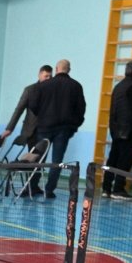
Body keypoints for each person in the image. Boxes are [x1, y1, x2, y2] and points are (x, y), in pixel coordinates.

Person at [28, 59, 86, 200]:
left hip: (44, 127)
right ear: (69, 70)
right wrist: (74, 125)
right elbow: (81, 109)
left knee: (39, 158)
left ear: (56, 69)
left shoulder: (44, 86)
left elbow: (33, 105)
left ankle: (33, 186)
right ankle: (49, 189)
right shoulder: (76, 86)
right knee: (57, 161)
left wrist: (41, 117)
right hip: (64, 129)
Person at [0, 64, 53, 197]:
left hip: (47, 130)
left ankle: (34, 186)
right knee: (33, 159)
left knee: (42, 161)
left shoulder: (53, 92)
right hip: (31, 130)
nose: (48, 78)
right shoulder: (30, 90)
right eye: (46, 76)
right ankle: (28, 186)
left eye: (50, 76)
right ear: (39, 75)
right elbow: (19, 109)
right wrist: (9, 128)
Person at [102, 59, 132, 199]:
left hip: (116, 129)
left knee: (113, 159)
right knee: (125, 160)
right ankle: (118, 189)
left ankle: (106, 188)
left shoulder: (119, 86)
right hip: (128, 129)